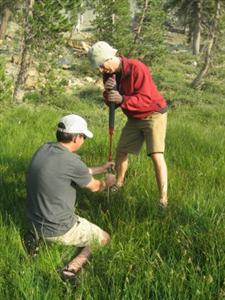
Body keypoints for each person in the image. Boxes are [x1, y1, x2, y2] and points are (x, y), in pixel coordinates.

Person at [25, 114, 116, 284]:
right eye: (83, 137)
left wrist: (101, 168)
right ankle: (70, 270)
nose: (83, 141)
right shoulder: (72, 161)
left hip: (33, 220)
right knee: (104, 238)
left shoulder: (44, 149)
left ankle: (35, 236)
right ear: (76, 138)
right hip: (58, 227)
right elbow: (95, 187)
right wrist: (107, 181)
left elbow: (73, 171)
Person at [88, 41, 168, 207]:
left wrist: (122, 98)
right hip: (134, 117)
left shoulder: (137, 68)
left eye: (102, 66)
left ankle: (163, 199)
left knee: (156, 155)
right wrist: (109, 92)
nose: (101, 70)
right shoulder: (108, 74)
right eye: (99, 68)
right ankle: (119, 183)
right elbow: (112, 102)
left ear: (111, 57)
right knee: (122, 151)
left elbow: (146, 99)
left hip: (153, 114)